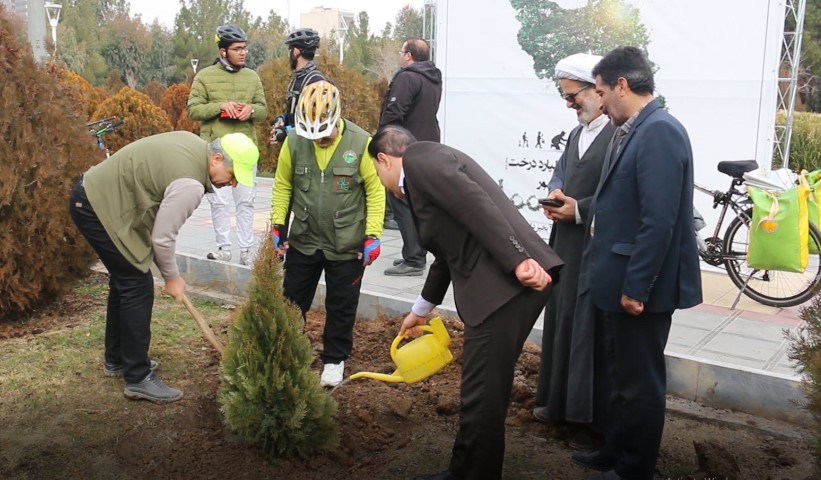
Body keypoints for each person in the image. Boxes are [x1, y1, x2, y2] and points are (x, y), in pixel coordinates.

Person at [368, 125, 563, 480]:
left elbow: (475, 203)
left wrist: (517, 260)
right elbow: (446, 254)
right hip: (500, 288)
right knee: (482, 393)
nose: (381, 181)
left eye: (377, 172)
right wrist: (420, 310)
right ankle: (465, 471)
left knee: (482, 397)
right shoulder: (424, 172)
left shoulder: (420, 159)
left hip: (502, 288)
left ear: (384, 160)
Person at [571, 47, 702, 480]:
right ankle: (615, 449)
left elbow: (659, 220)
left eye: (601, 91)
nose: (599, 100)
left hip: (641, 288)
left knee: (641, 382)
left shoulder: (660, 131)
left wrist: (636, 286)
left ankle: (634, 468)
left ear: (622, 85)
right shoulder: (633, 129)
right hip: (618, 280)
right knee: (620, 375)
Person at [68, 131, 259, 403]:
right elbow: (162, 238)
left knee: (127, 279)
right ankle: (137, 377)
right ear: (217, 159)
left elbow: (157, 229)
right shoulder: (190, 185)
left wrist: (168, 272)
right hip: (97, 206)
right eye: (233, 175)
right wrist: (172, 278)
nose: (232, 183)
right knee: (136, 284)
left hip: (91, 196)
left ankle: (118, 359)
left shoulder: (193, 144)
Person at [270, 81, 385, 388]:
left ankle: (334, 360)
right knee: (292, 301)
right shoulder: (293, 143)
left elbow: (375, 192)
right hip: (304, 238)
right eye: (313, 136)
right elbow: (283, 185)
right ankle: (289, 352)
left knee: (341, 305)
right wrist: (278, 225)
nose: (319, 140)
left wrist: (373, 235)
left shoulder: (361, 143)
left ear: (336, 118)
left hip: (347, 243)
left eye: (324, 133)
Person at [533, 53, 616, 451]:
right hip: (566, 243)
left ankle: (590, 420)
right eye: (565, 97)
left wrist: (580, 210)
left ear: (598, 91)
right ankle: (557, 404)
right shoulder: (575, 134)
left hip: (597, 246)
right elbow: (561, 173)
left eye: (574, 96)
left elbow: (620, 197)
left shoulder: (619, 136)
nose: (569, 104)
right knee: (563, 317)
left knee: (589, 328)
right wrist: (556, 194)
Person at [187, 24, 267, 266]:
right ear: (223, 51)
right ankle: (223, 248)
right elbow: (193, 110)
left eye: (244, 48)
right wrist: (220, 107)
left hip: (245, 151)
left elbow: (263, 110)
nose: (243, 53)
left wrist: (251, 110)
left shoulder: (252, 77)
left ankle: (247, 251)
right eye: (237, 49)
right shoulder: (204, 77)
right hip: (216, 152)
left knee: (246, 201)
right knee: (219, 202)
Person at [378, 37, 442, 277]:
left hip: (404, 149)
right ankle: (416, 253)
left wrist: (383, 142)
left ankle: (414, 258)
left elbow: (394, 113)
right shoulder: (433, 77)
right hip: (427, 145)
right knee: (416, 203)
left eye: (401, 51)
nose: (399, 55)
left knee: (400, 200)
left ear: (408, 55)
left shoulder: (408, 77)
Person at [269, 28, 326, 145]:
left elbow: (316, 122)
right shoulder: (297, 79)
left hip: (309, 148)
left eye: (290, 50)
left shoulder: (316, 81)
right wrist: (282, 119)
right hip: (296, 145)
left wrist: (286, 132)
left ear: (295, 51)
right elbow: (294, 115)